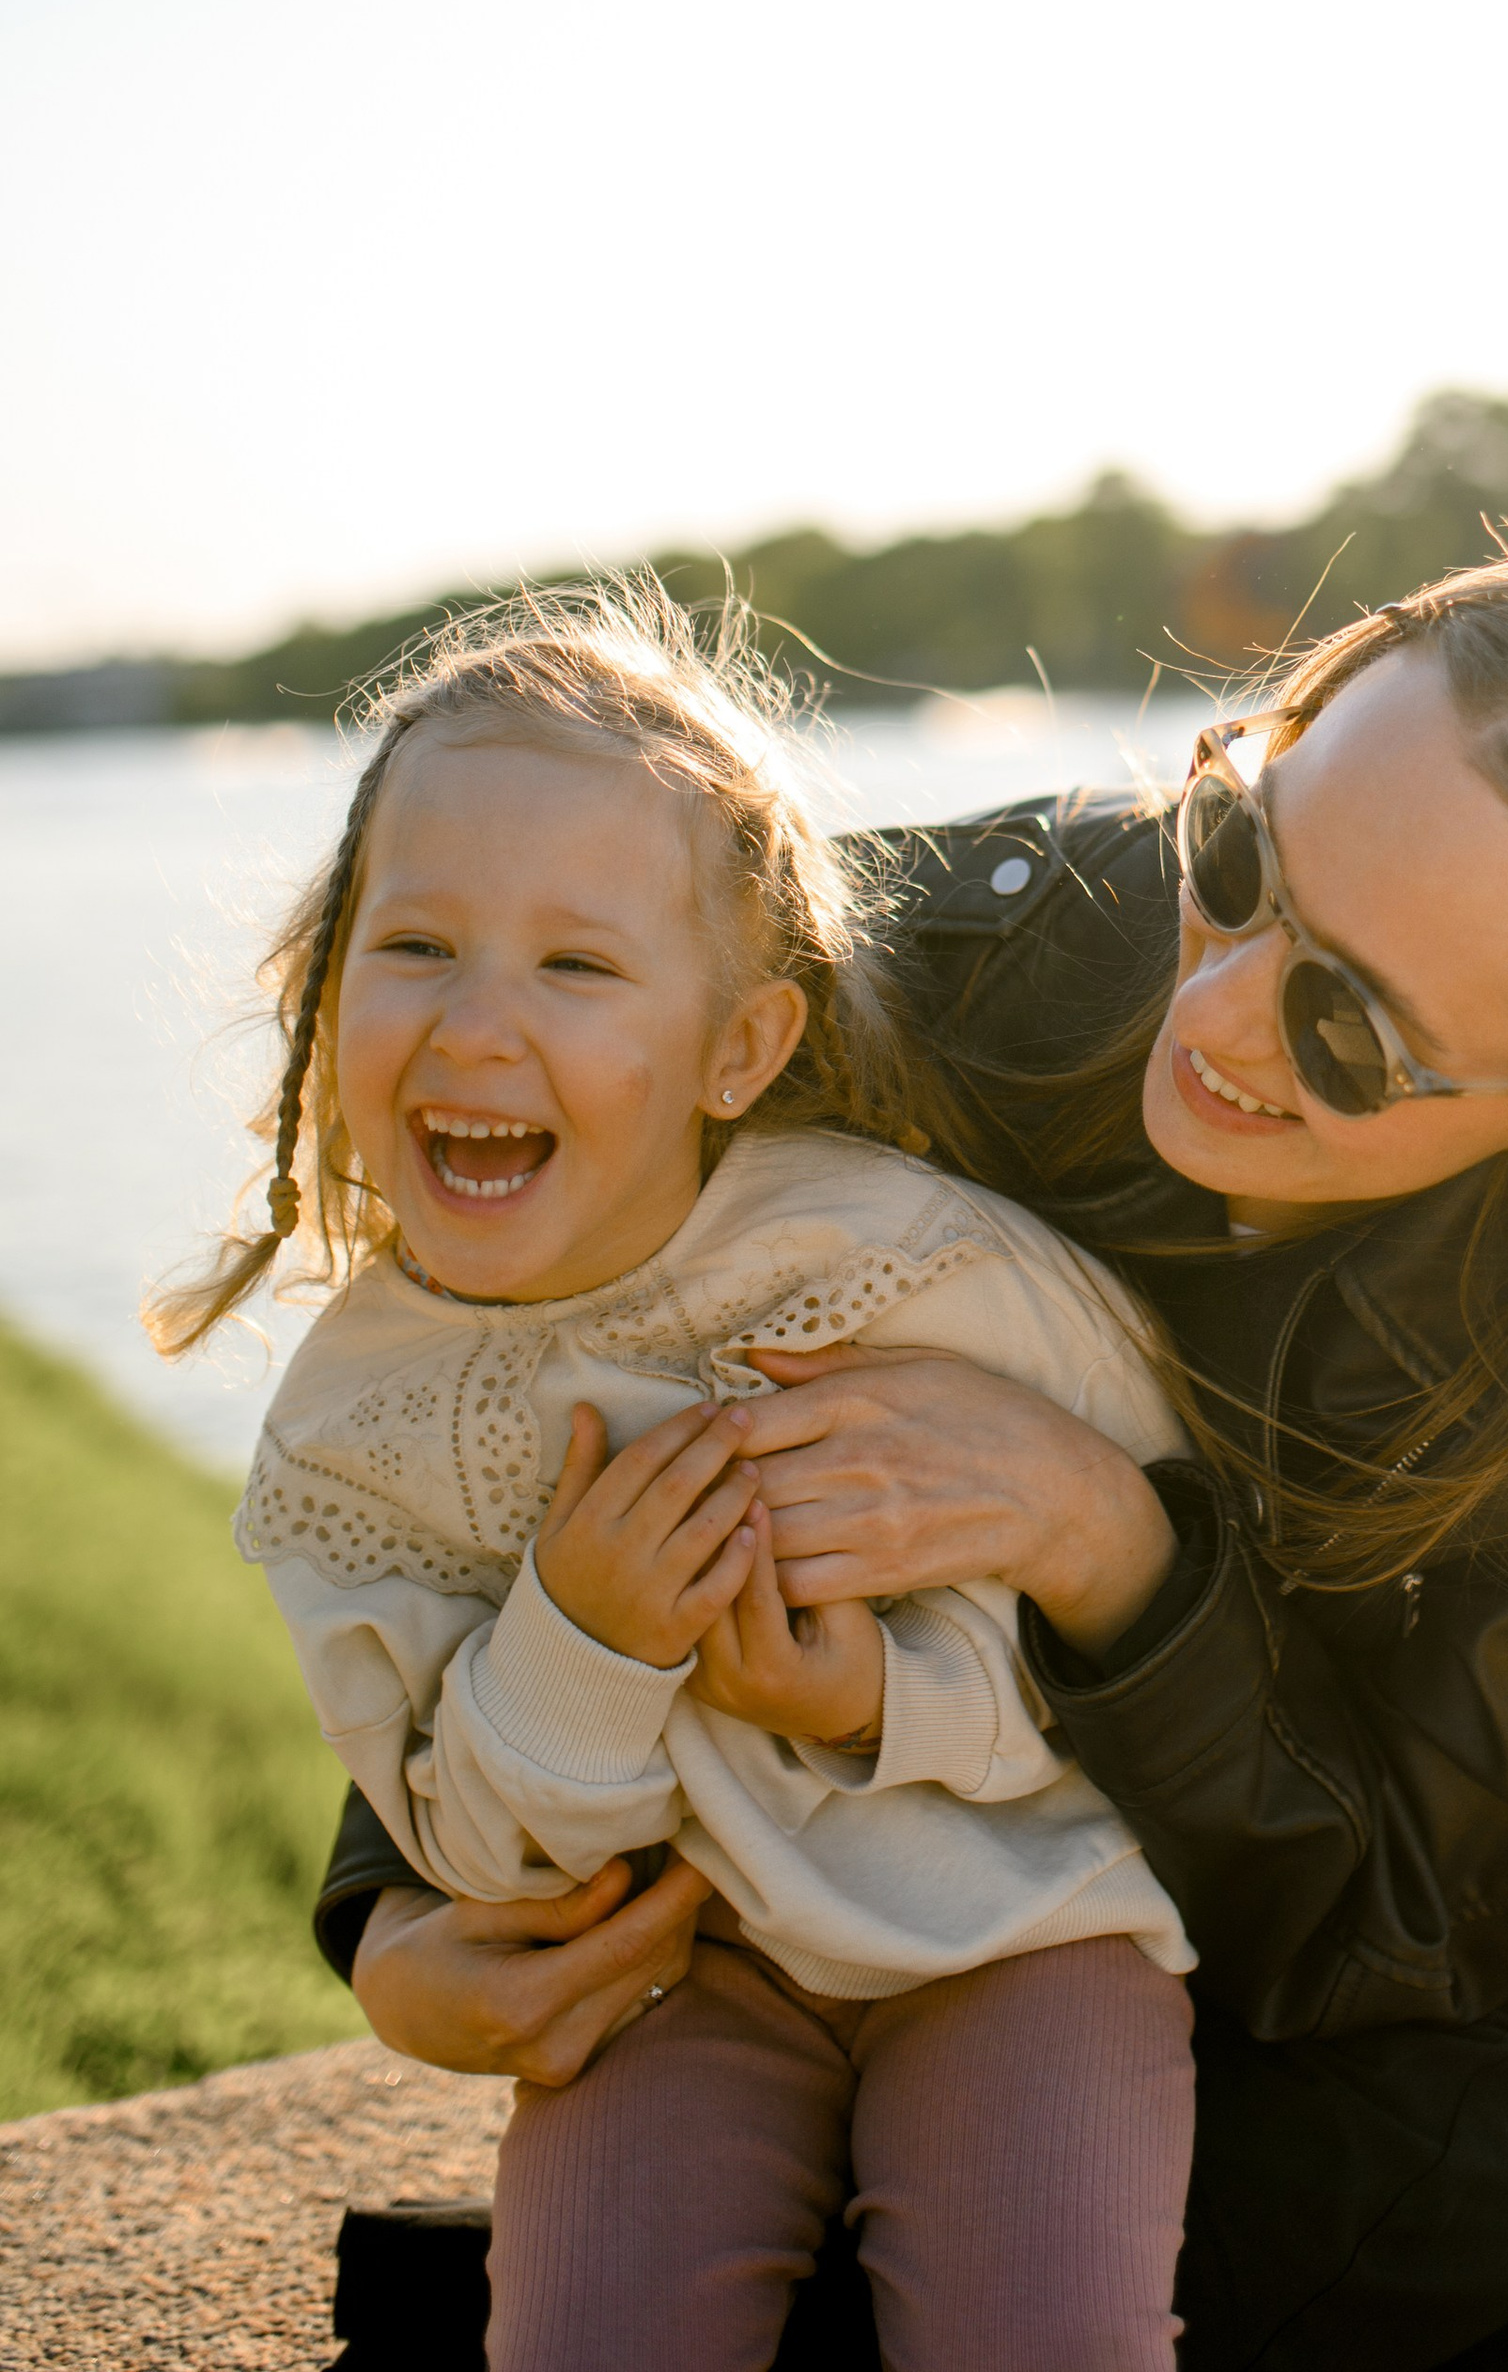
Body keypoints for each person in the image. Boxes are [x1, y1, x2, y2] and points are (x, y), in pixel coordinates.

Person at [312, 543, 1508, 2372]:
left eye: (1348, 1034)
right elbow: (560, 1346)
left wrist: (1107, 1538)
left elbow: (1396, 1922)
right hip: (930, 1885)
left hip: (1434, 2029)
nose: (1215, 1012)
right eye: (1240, 861)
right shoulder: (941, 954)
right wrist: (397, 1909)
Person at [157, 590, 1196, 2372]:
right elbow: (458, 1852)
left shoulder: (921, 1274)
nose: (480, 1025)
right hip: (667, 1968)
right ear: (325, 992)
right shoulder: (354, 1434)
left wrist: (872, 1690)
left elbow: (1165, 1651)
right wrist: (582, 1641)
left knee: (1046, 2332)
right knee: (590, 2331)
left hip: (1023, 1932)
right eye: (414, 948)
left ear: (742, 1050)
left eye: (576, 967)